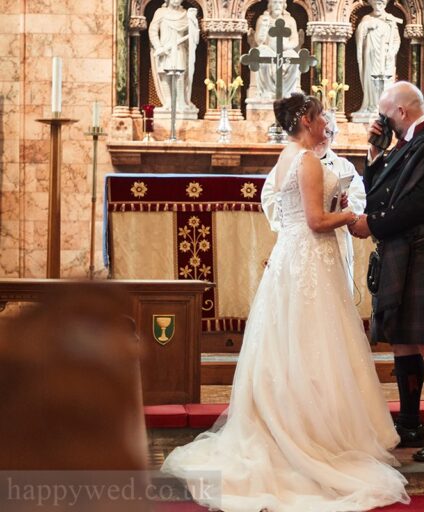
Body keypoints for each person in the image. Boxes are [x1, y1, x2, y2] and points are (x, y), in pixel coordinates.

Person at [162, 92, 408, 512]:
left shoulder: (287, 155)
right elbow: (316, 221)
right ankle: (316, 432)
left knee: (293, 341)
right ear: (306, 119)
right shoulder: (309, 159)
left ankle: (293, 420)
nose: (326, 120)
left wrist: (334, 206)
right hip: (311, 255)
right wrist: (349, 217)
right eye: (321, 115)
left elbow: (293, 211)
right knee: (317, 342)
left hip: (294, 256)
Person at [350, 81, 424, 462]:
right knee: (401, 338)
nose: (383, 122)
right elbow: (378, 193)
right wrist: (373, 152)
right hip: (403, 249)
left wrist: (373, 225)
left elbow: (417, 205)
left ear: (400, 112)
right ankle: (411, 423)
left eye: (385, 115)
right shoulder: (409, 144)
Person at [262, 111, 366, 293]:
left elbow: (358, 198)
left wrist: (344, 206)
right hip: (301, 241)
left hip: (335, 241)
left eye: (330, 133)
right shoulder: (290, 161)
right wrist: (300, 211)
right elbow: (271, 196)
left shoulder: (344, 167)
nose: (325, 138)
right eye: (323, 131)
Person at [148, 0, 200, 116]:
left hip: (179, 49)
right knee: (164, 75)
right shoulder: (160, 12)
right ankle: (168, 102)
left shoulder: (186, 14)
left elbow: (194, 36)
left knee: (180, 76)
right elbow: (153, 31)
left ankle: (180, 102)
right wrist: (158, 46)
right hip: (165, 50)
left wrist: (193, 20)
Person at [354, 0, 402, 116]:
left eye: (380, 4)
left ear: (384, 5)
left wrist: (392, 51)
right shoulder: (367, 18)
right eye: (375, 4)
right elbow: (359, 34)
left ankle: (384, 107)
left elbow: (396, 40)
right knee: (371, 81)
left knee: (384, 81)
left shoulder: (391, 20)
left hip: (385, 56)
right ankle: (371, 105)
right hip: (370, 55)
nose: (378, 7)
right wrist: (366, 26)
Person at [247, 0, 301, 101]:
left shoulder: (290, 20)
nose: (277, 5)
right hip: (268, 49)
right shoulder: (263, 19)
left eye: (280, 3)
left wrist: (287, 45)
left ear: (284, 5)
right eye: (275, 2)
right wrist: (264, 26)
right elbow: (258, 40)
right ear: (270, 5)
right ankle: (267, 91)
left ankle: (287, 91)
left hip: (285, 50)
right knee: (261, 55)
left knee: (294, 57)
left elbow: (295, 40)